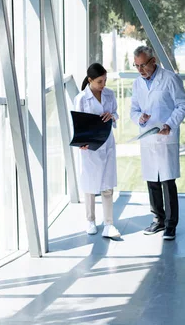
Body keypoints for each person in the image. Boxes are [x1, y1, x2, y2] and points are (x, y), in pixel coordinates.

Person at [130, 46, 185, 240]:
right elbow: (133, 110)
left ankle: (171, 225)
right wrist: (139, 118)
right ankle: (158, 220)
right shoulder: (137, 84)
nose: (140, 70)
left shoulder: (170, 78)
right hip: (148, 136)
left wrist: (170, 124)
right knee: (152, 181)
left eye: (143, 65)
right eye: (136, 66)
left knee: (167, 180)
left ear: (153, 61)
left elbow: (182, 104)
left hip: (166, 136)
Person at [73, 63, 121, 239]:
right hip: (90, 147)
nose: (104, 85)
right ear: (90, 80)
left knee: (107, 185)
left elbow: (116, 113)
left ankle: (109, 223)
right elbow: (77, 123)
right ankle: (90, 220)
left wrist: (112, 116)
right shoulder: (81, 99)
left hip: (107, 142)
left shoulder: (109, 94)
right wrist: (81, 142)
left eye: (105, 80)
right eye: (100, 81)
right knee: (90, 183)